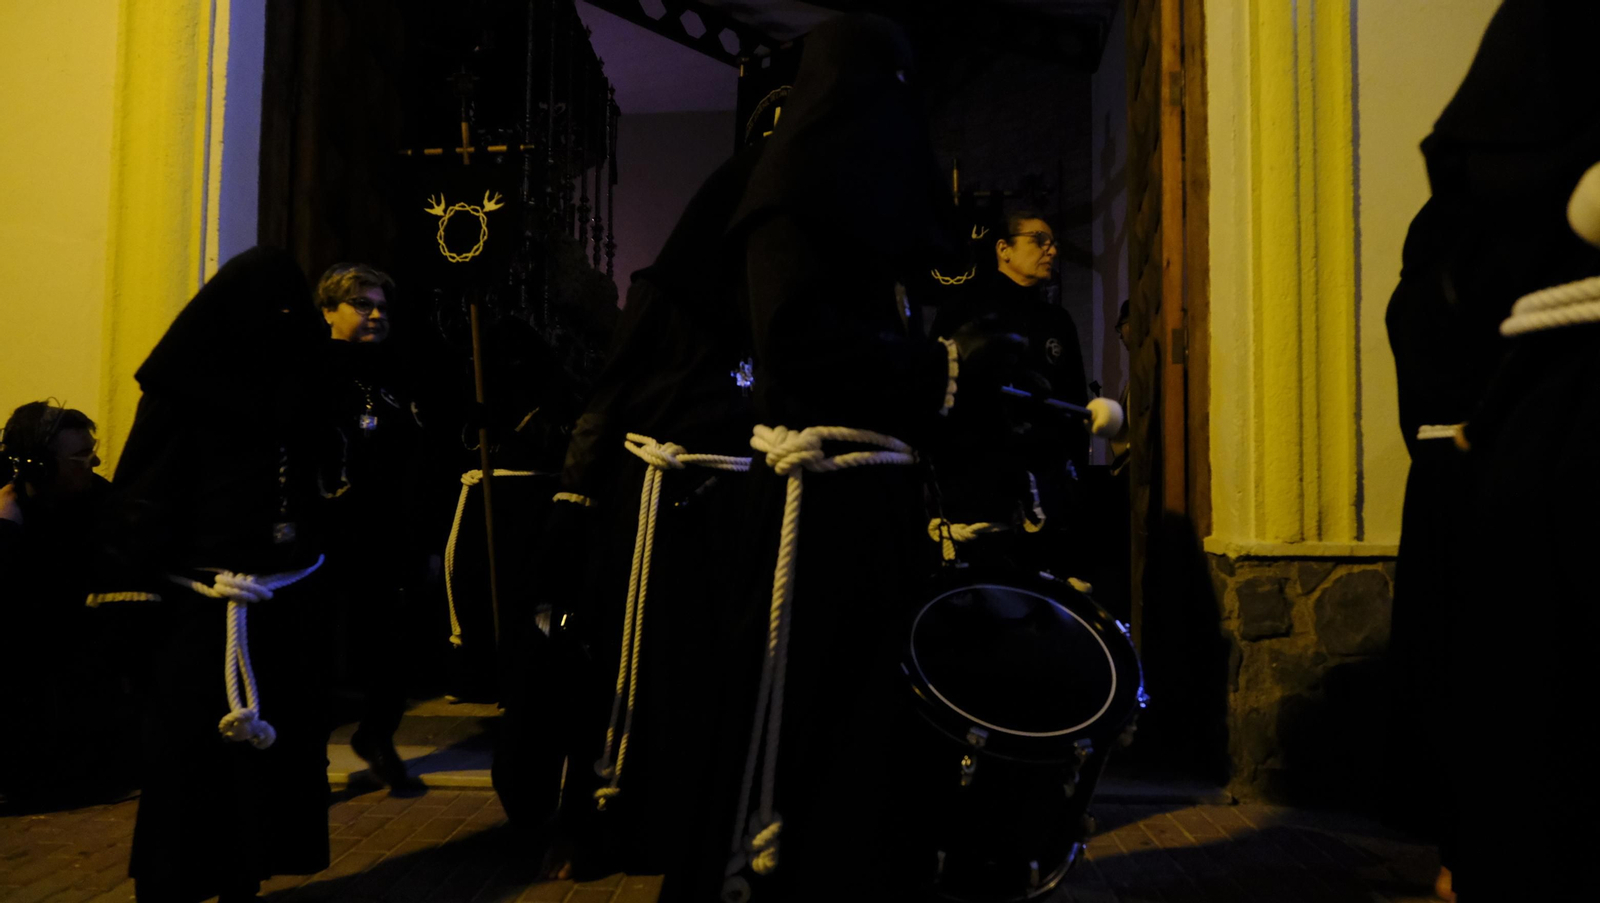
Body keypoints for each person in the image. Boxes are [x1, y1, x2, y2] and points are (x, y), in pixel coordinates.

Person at [698, 14, 1024, 902]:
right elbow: (800, 346)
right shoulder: (793, 197)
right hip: (822, 509)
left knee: (868, 724)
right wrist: (942, 367)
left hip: (871, 508)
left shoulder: (844, 217)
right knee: (817, 716)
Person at [495, 120, 771, 897]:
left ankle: (705, 824)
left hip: (738, 504)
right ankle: (602, 826)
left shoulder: (772, 296)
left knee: (719, 677)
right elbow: (609, 399)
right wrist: (574, 499)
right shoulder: (662, 289)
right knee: (629, 669)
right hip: (652, 503)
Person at [90, 247, 341, 903]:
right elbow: (144, 496)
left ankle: (242, 881)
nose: (287, 324)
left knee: (261, 771)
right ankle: (168, 887)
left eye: (298, 312)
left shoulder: (302, 391)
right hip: (199, 613)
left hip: (280, 608)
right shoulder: (184, 391)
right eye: (276, 311)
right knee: (186, 765)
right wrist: (127, 606)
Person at [927, 210, 1093, 575]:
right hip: (979, 481)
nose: (1051, 250)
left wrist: (1074, 470)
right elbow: (937, 389)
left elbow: (1074, 398)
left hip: (1049, 480)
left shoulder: (1057, 321)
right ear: (1004, 249)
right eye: (1039, 240)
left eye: (1054, 244)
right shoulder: (964, 309)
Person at [315, 263, 425, 791]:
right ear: (329, 311)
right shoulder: (310, 370)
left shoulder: (397, 370)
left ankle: (378, 735)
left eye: (382, 305)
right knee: (318, 640)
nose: (377, 314)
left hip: (385, 526)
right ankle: (307, 755)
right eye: (363, 305)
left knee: (391, 637)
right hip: (328, 526)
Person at [1, 402, 137, 808]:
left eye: (91, 449)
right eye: (80, 456)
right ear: (39, 466)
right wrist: (5, 530)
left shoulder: (103, 504)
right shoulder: (9, 510)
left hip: (81, 654)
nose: (94, 460)